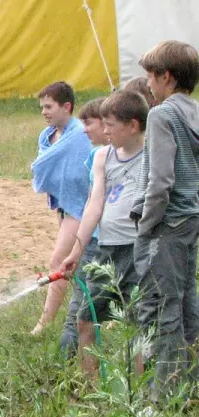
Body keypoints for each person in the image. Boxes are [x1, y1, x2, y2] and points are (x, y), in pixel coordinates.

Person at [61, 90, 148, 376]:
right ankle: (91, 387)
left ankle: (139, 389)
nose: (105, 130)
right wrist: (77, 250)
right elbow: (94, 206)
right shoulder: (103, 156)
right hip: (107, 249)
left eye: (110, 125)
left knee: (137, 322)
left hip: (137, 249)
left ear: (132, 126)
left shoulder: (151, 155)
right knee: (86, 318)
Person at [131, 41, 199, 394]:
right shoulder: (194, 111)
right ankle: (191, 383)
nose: (148, 84)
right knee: (187, 302)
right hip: (190, 219)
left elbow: (160, 181)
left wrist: (146, 225)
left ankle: (165, 391)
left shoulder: (161, 115)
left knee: (163, 306)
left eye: (150, 76)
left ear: (167, 76)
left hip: (167, 222)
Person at [29, 81, 92, 337]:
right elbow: (46, 168)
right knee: (79, 263)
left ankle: (44, 324)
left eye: (49, 107)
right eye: (42, 107)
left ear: (67, 107)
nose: (44, 112)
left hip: (81, 207)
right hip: (63, 205)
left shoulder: (79, 134)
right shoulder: (46, 136)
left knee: (59, 261)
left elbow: (83, 173)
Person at [58, 98, 109, 354]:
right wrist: (78, 247)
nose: (85, 129)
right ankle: (66, 361)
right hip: (92, 242)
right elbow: (91, 202)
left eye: (89, 123)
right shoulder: (95, 156)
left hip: (113, 244)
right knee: (79, 308)